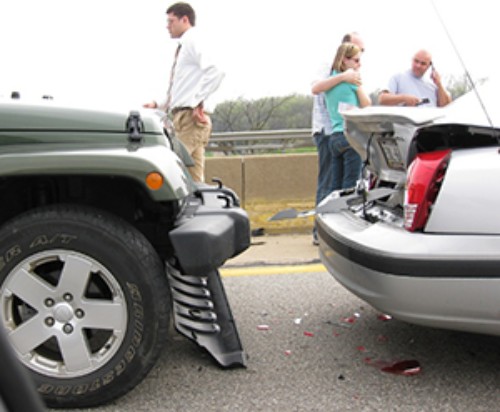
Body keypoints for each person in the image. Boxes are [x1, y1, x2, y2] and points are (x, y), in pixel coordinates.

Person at [144, 2, 224, 183]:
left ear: (185, 19)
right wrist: (159, 104)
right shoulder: (185, 44)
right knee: (194, 178)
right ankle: (199, 209)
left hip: (190, 118)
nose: (167, 26)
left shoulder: (193, 40)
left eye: (171, 21)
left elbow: (216, 71)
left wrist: (198, 102)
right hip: (183, 117)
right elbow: (182, 87)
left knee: (171, 167)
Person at [324, 42, 371, 192]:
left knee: (336, 186)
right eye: (356, 60)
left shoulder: (331, 80)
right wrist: (358, 85)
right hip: (350, 136)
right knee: (351, 185)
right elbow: (366, 104)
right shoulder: (351, 82)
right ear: (345, 59)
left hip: (335, 136)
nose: (359, 64)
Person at [378, 49, 451, 107]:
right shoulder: (398, 77)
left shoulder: (435, 83)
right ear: (411, 60)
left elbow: (446, 106)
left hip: (433, 124)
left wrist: (439, 84)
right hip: (408, 125)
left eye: (423, 63)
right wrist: (403, 98)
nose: (418, 65)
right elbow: (382, 99)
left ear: (429, 66)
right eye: (416, 61)